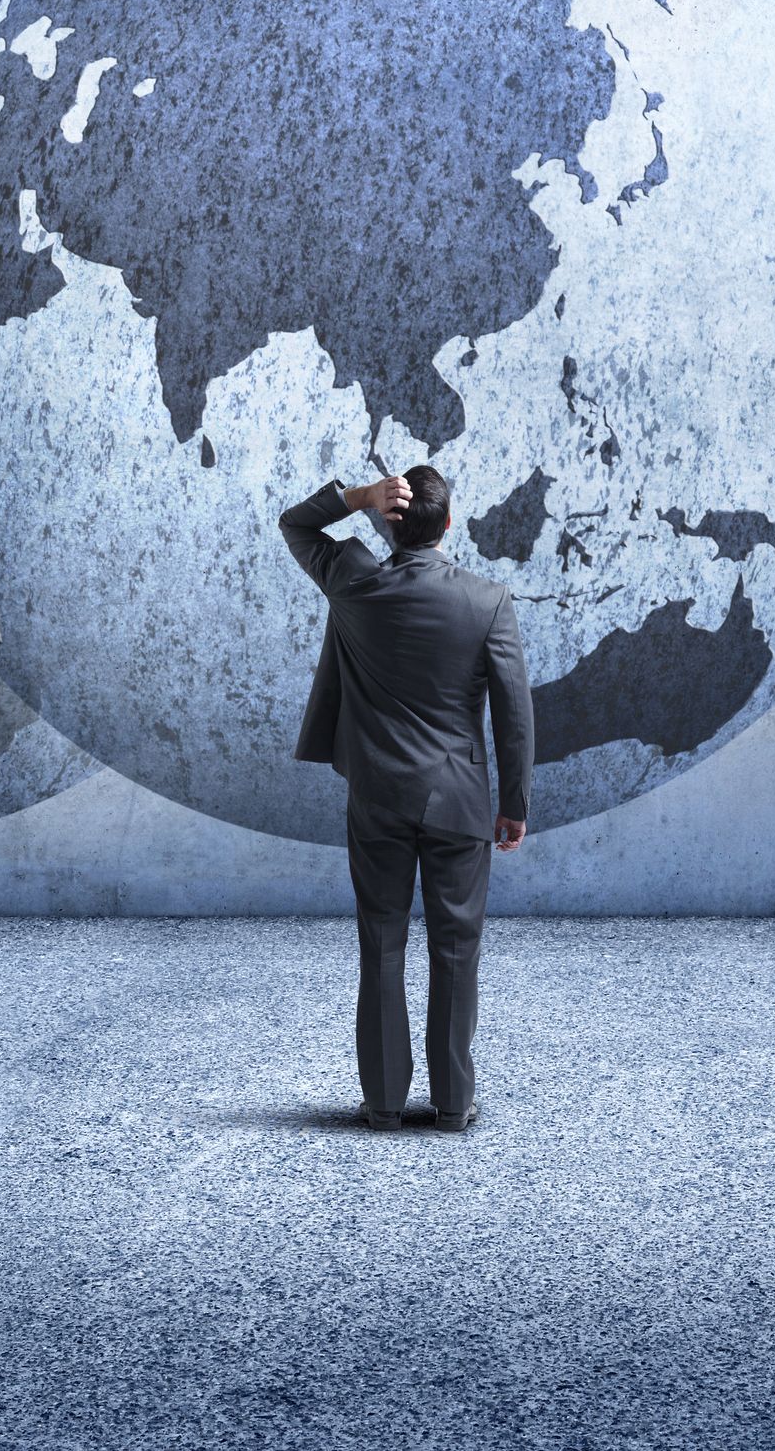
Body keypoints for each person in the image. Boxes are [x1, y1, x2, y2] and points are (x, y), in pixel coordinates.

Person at [278, 467, 534, 1134]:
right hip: (459, 798)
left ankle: (385, 1104)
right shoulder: (488, 601)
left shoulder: (354, 583)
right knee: (456, 949)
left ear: (389, 522)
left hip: (377, 796)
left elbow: (295, 524)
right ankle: (452, 1105)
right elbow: (514, 716)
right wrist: (515, 803)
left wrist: (356, 497)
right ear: (449, 525)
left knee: (382, 944)